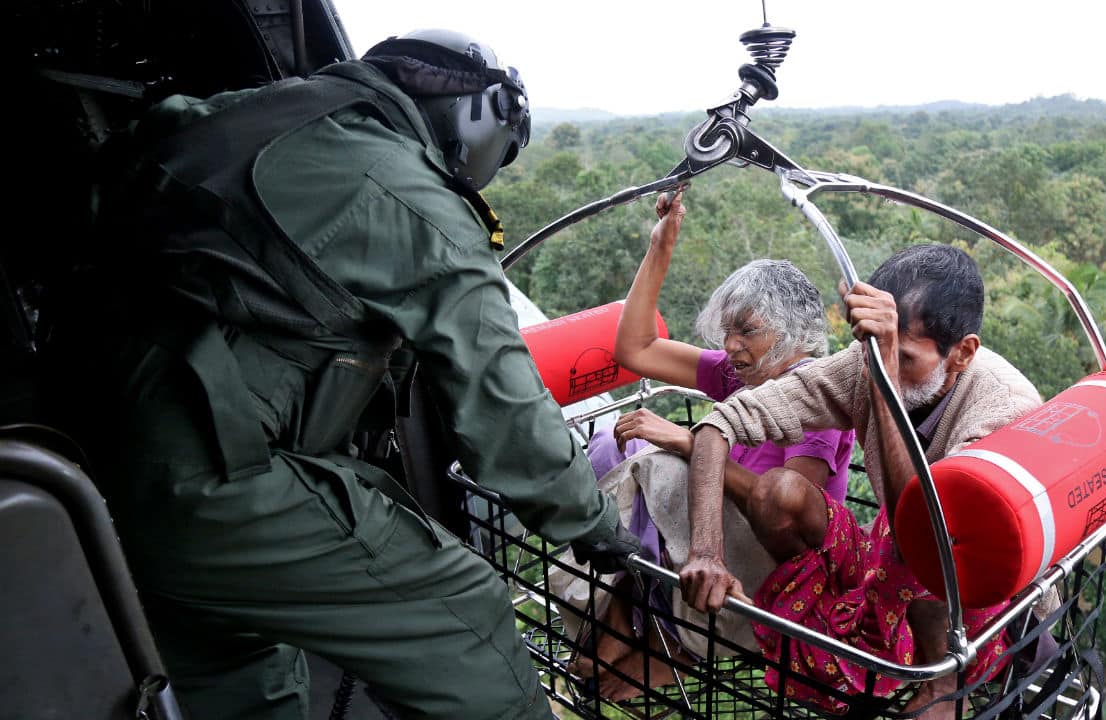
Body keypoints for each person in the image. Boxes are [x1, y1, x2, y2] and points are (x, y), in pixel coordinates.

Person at [48, 29, 638, 720]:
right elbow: (508, 413)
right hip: (212, 478)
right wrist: (591, 522)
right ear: (483, 116)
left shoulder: (229, 116)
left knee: (240, 666)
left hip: (86, 450)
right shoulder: (415, 199)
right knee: (464, 618)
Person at [678, 244, 1043, 718]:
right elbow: (718, 426)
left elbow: (932, 536)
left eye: (906, 358)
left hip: (962, 586)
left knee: (936, 572)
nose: (881, 364)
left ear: (961, 354)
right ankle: (839, 646)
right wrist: (706, 552)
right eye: (872, 351)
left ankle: (942, 685)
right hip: (888, 554)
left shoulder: (1004, 406)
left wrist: (884, 382)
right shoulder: (867, 360)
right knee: (775, 490)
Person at [568, 189, 855, 700]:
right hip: (706, 541)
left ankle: (664, 640)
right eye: (727, 331)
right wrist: (661, 245)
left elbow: (784, 507)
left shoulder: (816, 396)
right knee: (617, 441)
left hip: (767, 566)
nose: (730, 346)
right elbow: (635, 347)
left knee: (659, 461)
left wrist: (685, 442)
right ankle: (639, 610)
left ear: (791, 332)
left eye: (747, 331)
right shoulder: (740, 377)